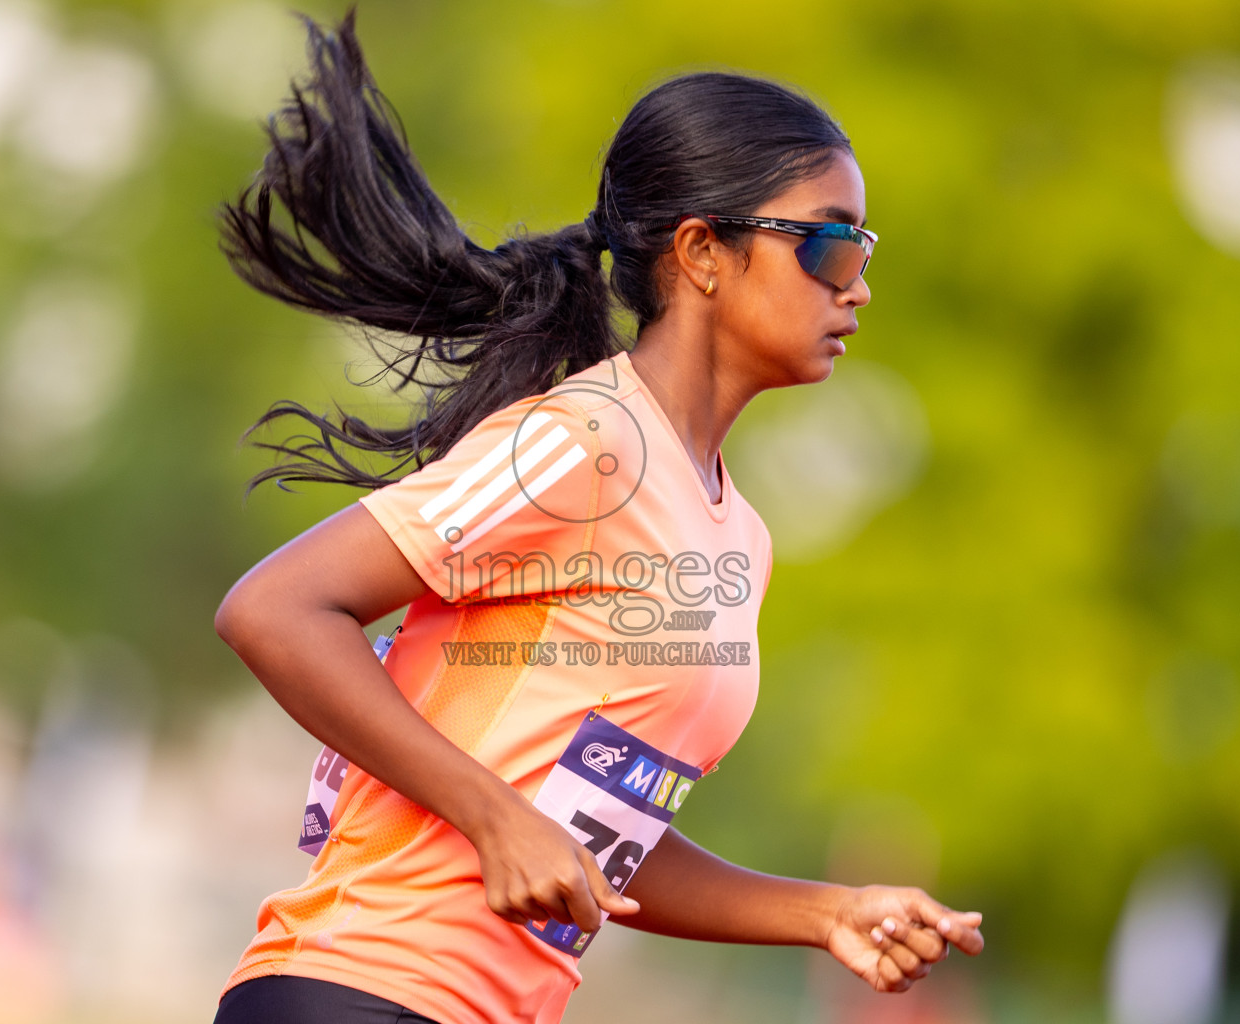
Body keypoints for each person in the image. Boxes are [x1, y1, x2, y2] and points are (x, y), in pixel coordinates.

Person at [210, 12, 984, 1024]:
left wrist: (824, 910)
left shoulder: (734, 536)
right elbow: (274, 608)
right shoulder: (585, 443)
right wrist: (494, 818)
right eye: (830, 246)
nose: (859, 286)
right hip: (363, 986)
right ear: (704, 250)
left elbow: (590, 839)